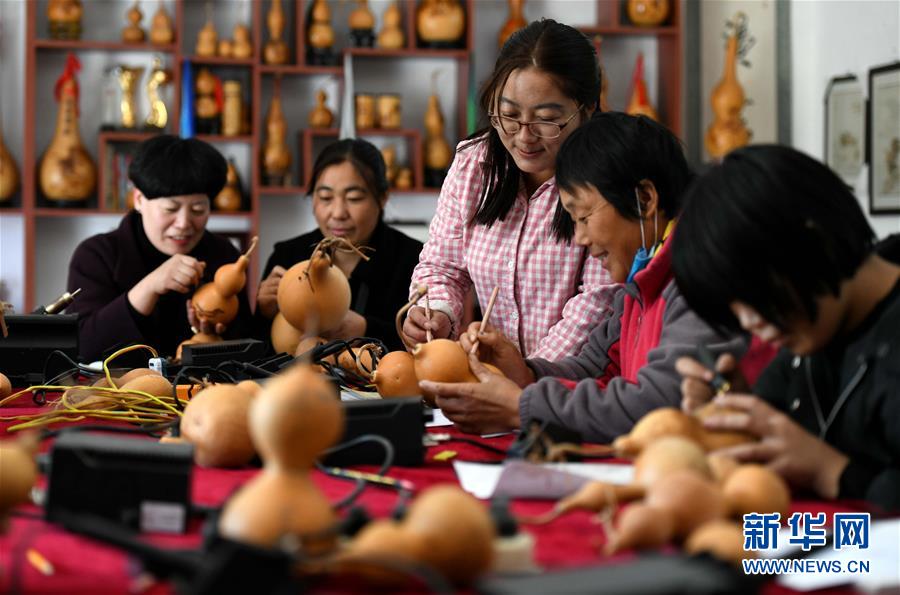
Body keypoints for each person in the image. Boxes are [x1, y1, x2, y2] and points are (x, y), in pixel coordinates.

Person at [419, 113, 754, 440]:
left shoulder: (700, 279)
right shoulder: (640, 284)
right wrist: (525, 372)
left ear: (645, 198)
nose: (579, 238)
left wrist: (523, 406)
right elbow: (593, 369)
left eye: (583, 216)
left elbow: (659, 404)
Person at [671, 146, 900, 510]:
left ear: (813, 242)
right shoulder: (810, 333)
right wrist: (735, 412)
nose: (749, 322)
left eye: (753, 296)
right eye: (734, 308)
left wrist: (831, 470)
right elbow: (778, 432)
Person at [403, 19, 618, 360]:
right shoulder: (474, 166)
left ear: (587, 109)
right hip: (493, 382)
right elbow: (443, 266)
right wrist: (437, 311)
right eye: (509, 115)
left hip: (574, 390)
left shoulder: (608, 180)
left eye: (546, 119)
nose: (524, 136)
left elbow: (598, 301)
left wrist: (527, 377)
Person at [67, 135, 252, 361]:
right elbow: (81, 348)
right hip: (117, 393)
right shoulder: (96, 255)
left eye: (198, 210)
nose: (184, 223)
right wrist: (150, 286)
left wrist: (215, 338)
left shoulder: (224, 256)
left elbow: (248, 347)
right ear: (138, 200)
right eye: (170, 209)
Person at [256, 138, 422, 352]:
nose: (337, 213)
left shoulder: (414, 260)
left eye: (353, 198)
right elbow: (256, 353)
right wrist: (264, 312)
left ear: (382, 198)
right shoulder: (288, 256)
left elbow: (428, 348)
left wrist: (367, 329)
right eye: (325, 197)